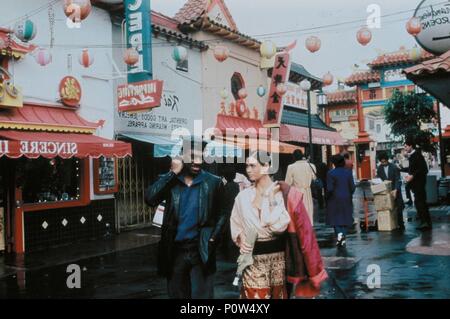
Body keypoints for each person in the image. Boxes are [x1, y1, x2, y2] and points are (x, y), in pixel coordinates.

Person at [230, 151, 327, 299]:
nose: (248, 170)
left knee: (278, 295)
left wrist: (270, 199)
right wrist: (241, 238)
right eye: (247, 166)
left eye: (252, 166)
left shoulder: (280, 194)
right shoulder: (242, 197)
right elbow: (235, 223)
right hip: (252, 259)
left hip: (278, 259)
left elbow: (278, 227)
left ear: (266, 166)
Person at [145, 140, 227, 299]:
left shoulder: (213, 182)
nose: (197, 161)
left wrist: (213, 238)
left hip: (201, 249)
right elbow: (150, 199)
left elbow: (223, 213)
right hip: (175, 250)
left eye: (201, 157)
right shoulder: (170, 181)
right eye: (193, 156)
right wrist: (172, 173)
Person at [326, 155, 356, 247]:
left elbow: (330, 188)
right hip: (346, 198)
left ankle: (340, 237)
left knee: (336, 220)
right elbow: (352, 187)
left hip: (334, 199)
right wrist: (349, 193)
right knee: (345, 219)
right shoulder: (348, 173)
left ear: (334, 163)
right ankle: (342, 237)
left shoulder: (331, 173)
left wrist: (327, 197)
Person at [404, 138, 432, 230]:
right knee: (419, 202)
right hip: (416, 184)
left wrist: (412, 176)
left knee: (420, 203)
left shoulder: (417, 155)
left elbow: (423, 169)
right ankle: (425, 222)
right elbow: (414, 169)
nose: (405, 148)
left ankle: (425, 223)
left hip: (419, 183)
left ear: (411, 146)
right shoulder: (412, 155)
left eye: (406, 146)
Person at [285, 149, 316, 225]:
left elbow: (287, 183)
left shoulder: (291, 167)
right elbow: (314, 178)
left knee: (298, 214)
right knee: (308, 211)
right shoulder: (311, 166)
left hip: (296, 192)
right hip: (307, 191)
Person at [376, 152, 405, 230]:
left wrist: (396, 189)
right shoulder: (379, 169)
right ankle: (392, 224)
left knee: (398, 208)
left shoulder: (394, 167)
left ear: (387, 160)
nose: (383, 163)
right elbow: (379, 180)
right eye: (382, 162)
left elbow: (398, 179)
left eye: (384, 162)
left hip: (395, 190)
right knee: (389, 209)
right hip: (386, 192)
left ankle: (401, 225)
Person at [220, 167, 240, 259]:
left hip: (227, 212)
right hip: (233, 212)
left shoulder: (226, 186)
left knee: (226, 234)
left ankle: (227, 254)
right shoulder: (235, 186)